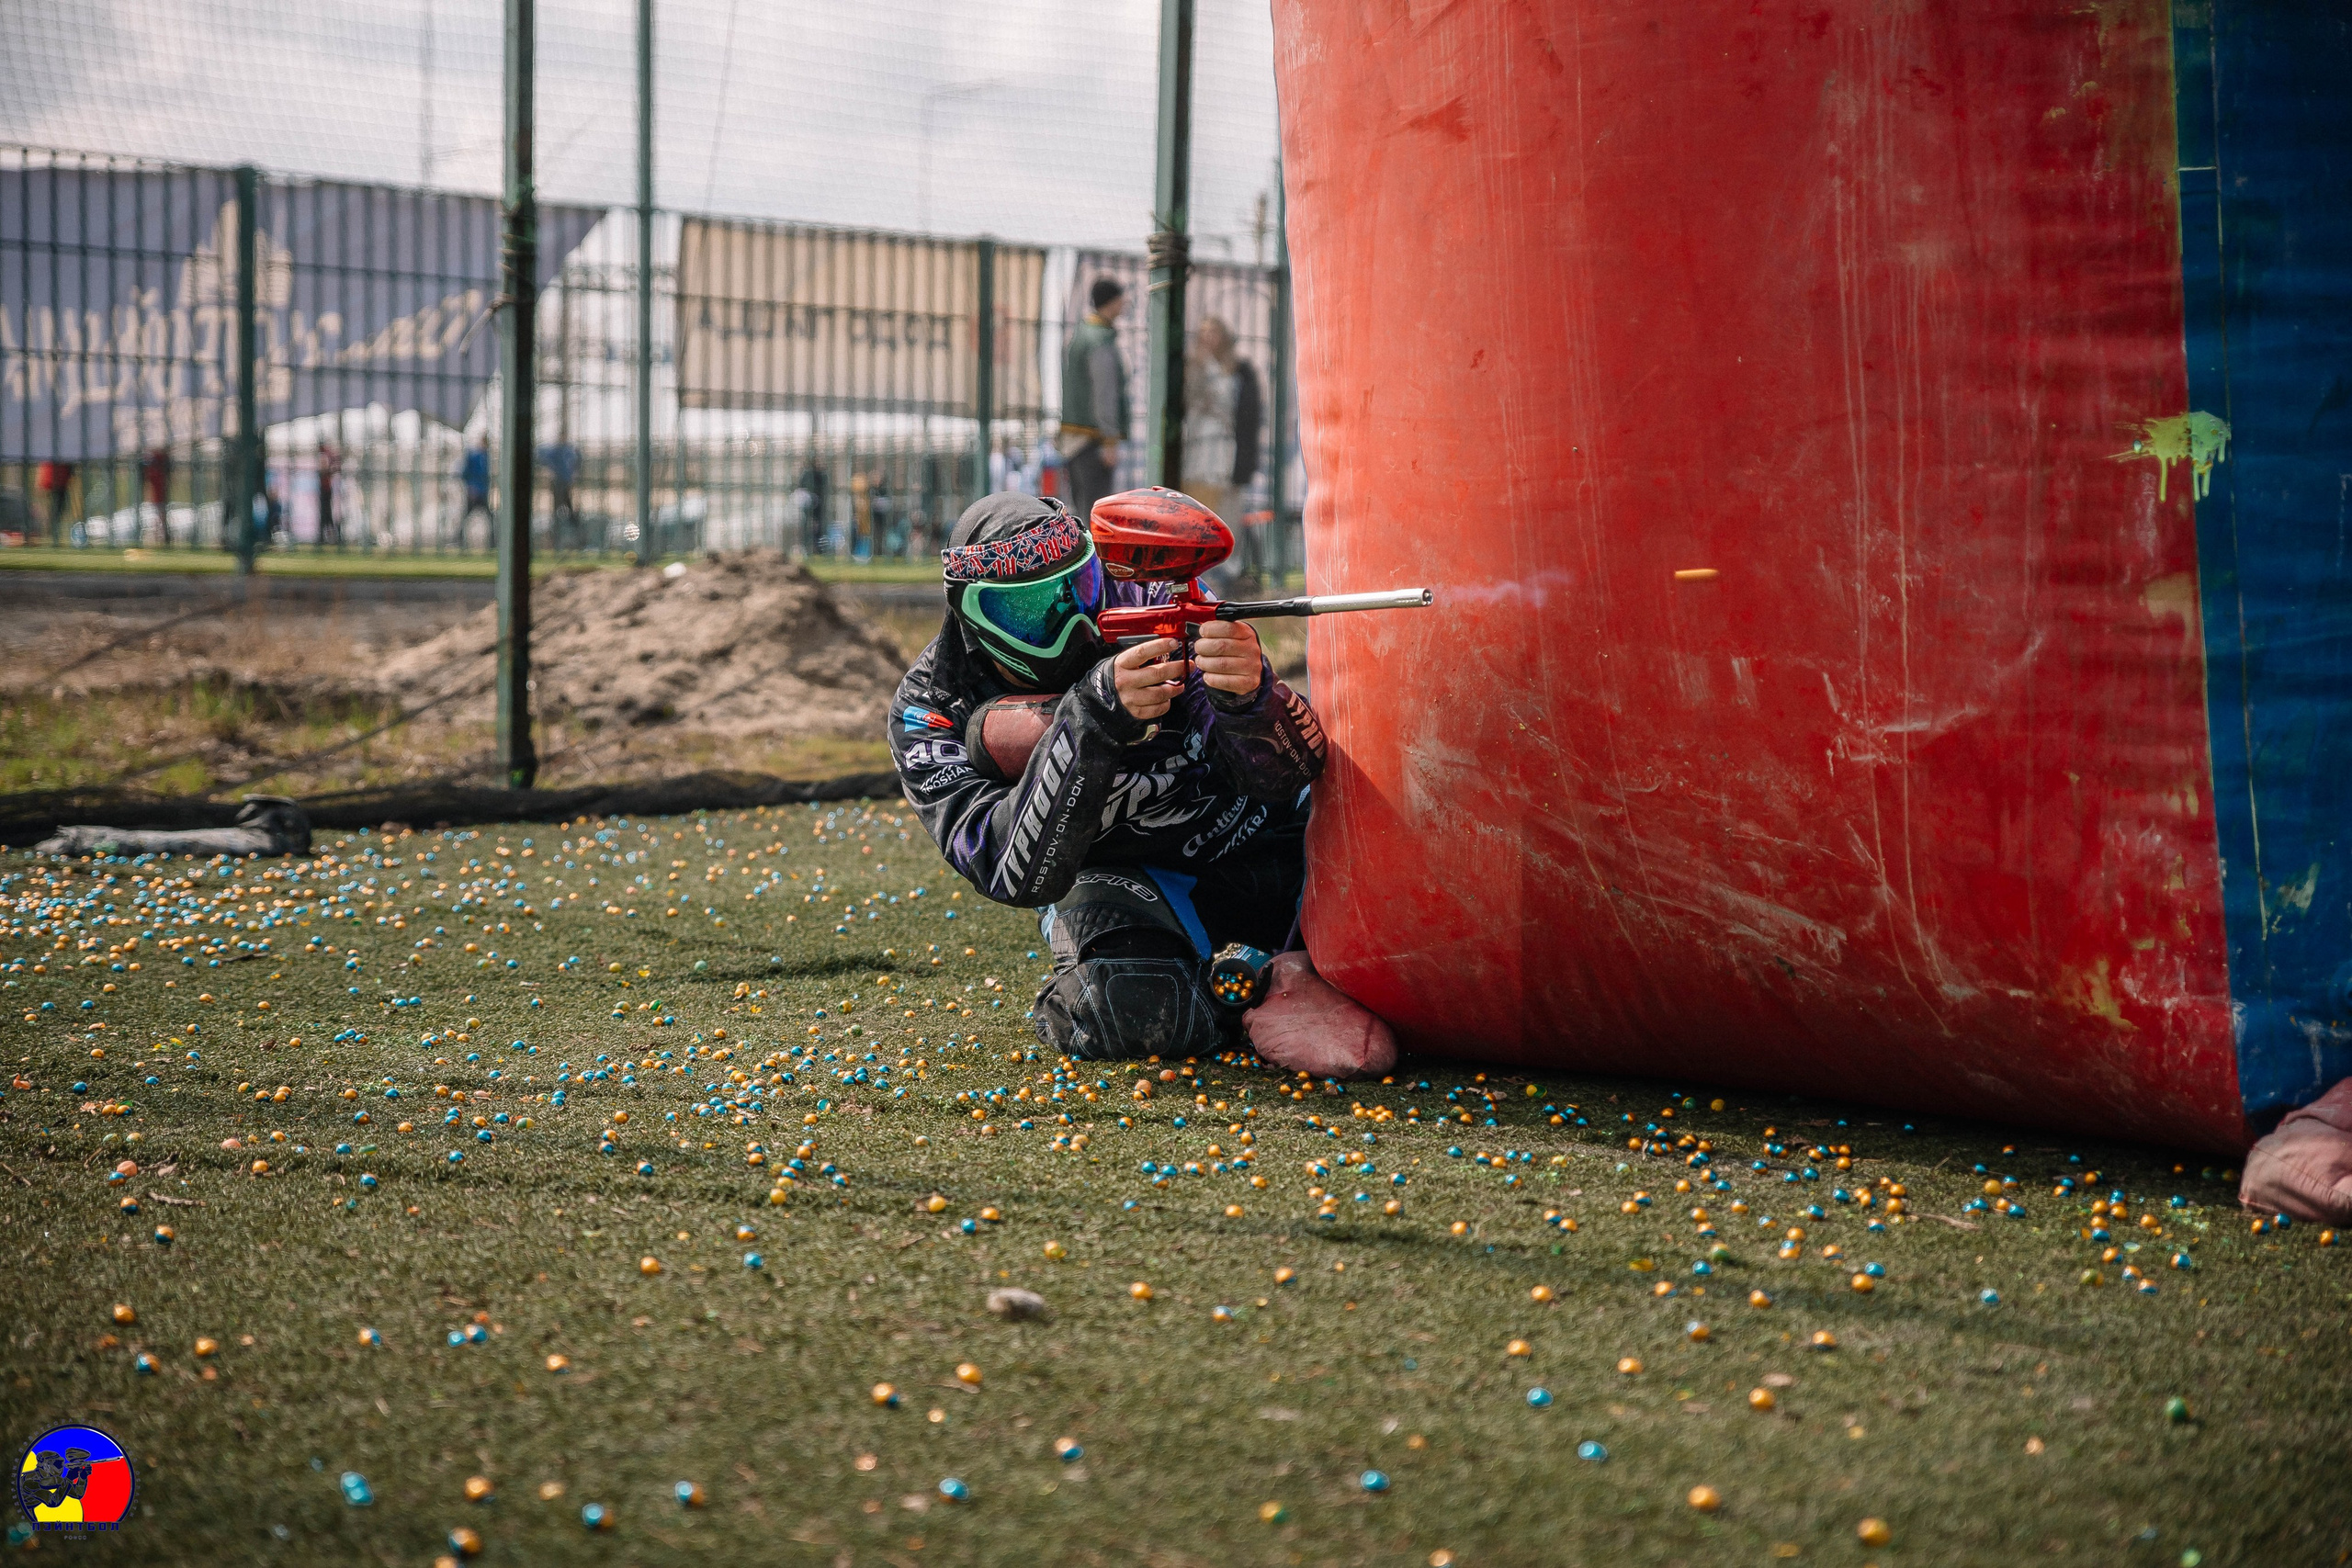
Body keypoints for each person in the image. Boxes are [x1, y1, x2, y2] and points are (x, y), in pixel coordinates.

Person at [888, 491, 1395, 1075]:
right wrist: (1092, 721)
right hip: (1134, 884)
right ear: (972, 615)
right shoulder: (932, 705)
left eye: (1077, 590)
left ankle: (1273, 971)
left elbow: (1289, 776)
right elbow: (1011, 870)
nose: (1071, 624)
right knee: (1125, 1008)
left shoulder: (1152, 600)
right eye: (1031, 612)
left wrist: (1249, 700)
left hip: (1255, 840)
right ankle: (1262, 985)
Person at [1182, 316, 1266, 580]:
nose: (1209, 339)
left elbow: (1249, 413)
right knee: (1200, 505)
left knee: (1229, 508)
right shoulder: (1195, 366)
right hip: (1200, 446)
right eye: (1204, 333)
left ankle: (1230, 566)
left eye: (1214, 333)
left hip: (1231, 447)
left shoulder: (1240, 370)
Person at [1058, 278, 1130, 520]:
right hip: (1093, 441)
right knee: (1096, 515)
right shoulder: (1099, 339)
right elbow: (1104, 393)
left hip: (1076, 439)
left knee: (1081, 511)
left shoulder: (1082, 334)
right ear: (1112, 302)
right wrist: (1110, 440)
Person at [458, 439, 492, 550]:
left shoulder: (485, 457)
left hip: (482, 492)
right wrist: (471, 487)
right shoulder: (474, 456)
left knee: (489, 518)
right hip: (475, 492)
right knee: (467, 517)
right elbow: (465, 473)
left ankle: (492, 542)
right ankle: (460, 540)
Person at [315, 439, 343, 546]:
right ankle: (328, 536)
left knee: (326, 513)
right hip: (326, 489)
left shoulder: (324, 455)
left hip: (325, 489)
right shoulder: (327, 455)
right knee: (326, 514)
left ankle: (328, 536)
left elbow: (325, 469)